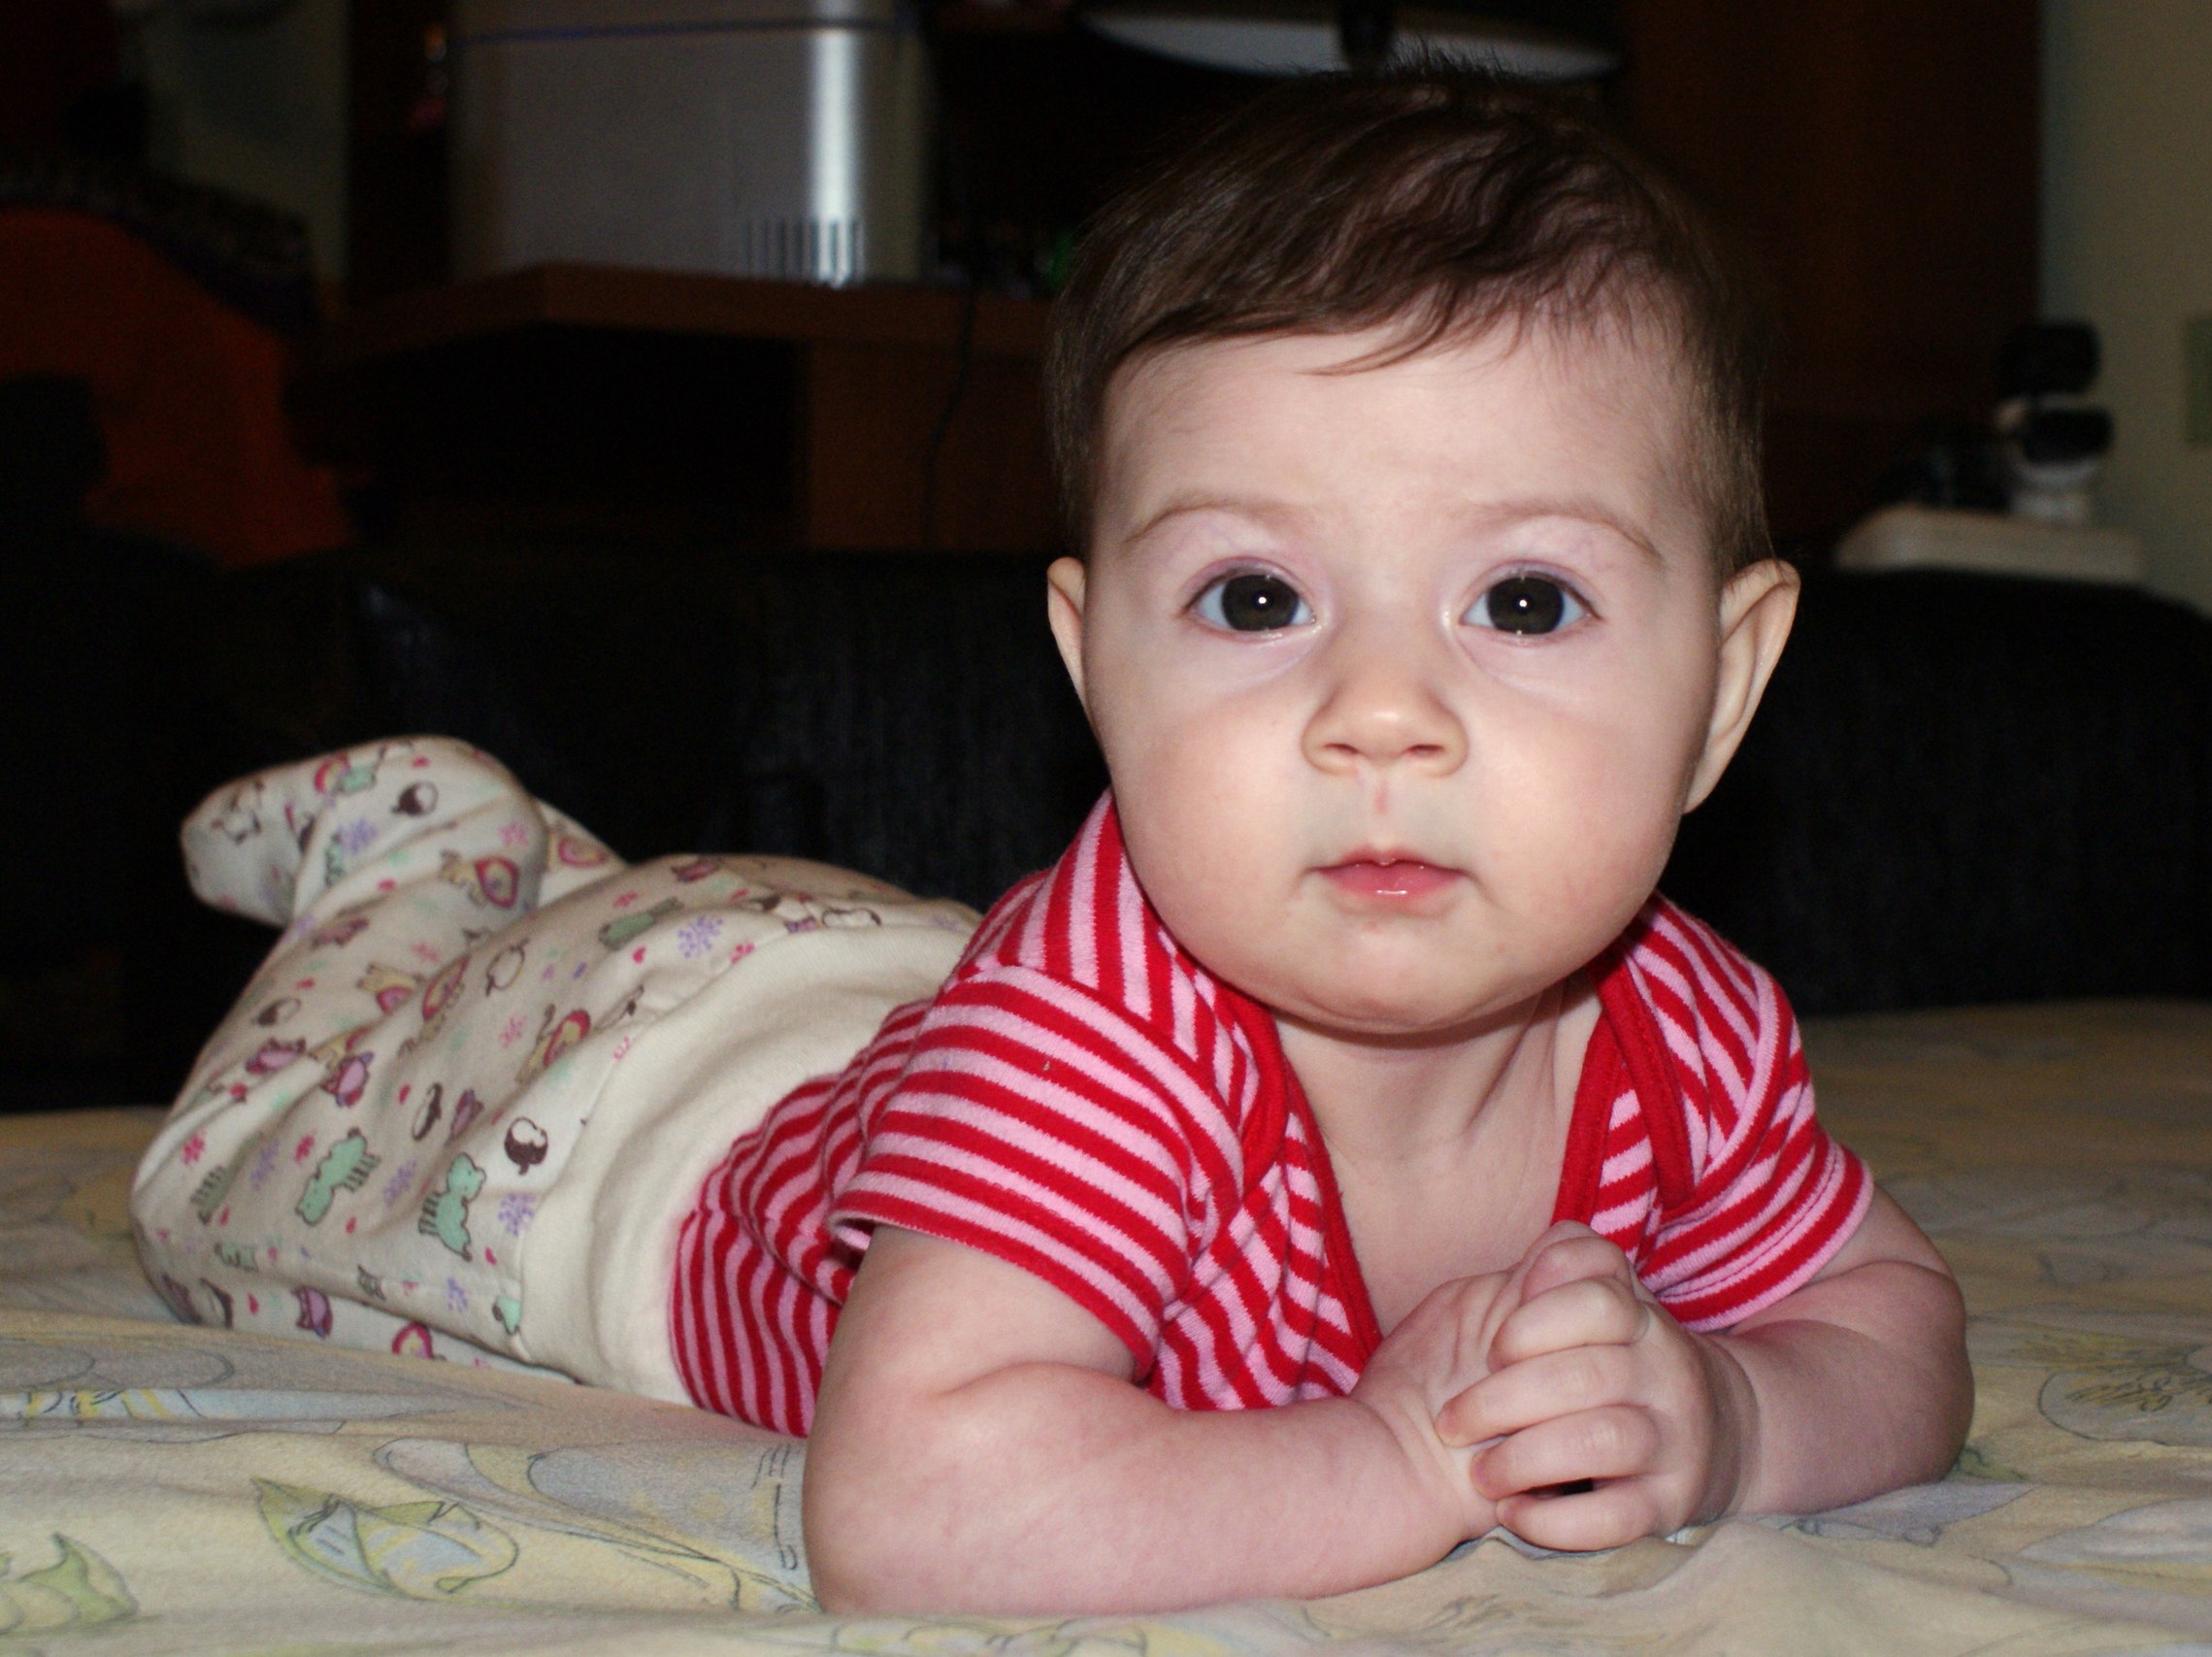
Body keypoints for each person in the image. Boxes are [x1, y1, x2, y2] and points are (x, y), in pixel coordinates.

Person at [133, 68, 1971, 1616]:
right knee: (265, 1165)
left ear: (1722, 690)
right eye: (1257, 598)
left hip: (876, 992)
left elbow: (1891, 1324)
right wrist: (1401, 1454)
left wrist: (1735, 1415)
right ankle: (414, 860)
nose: (1382, 714)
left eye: (1526, 600)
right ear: (1097, 672)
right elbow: (913, 1514)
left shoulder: (1686, 1028)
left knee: (860, 988)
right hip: (635, 1118)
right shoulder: (1093, 1047)